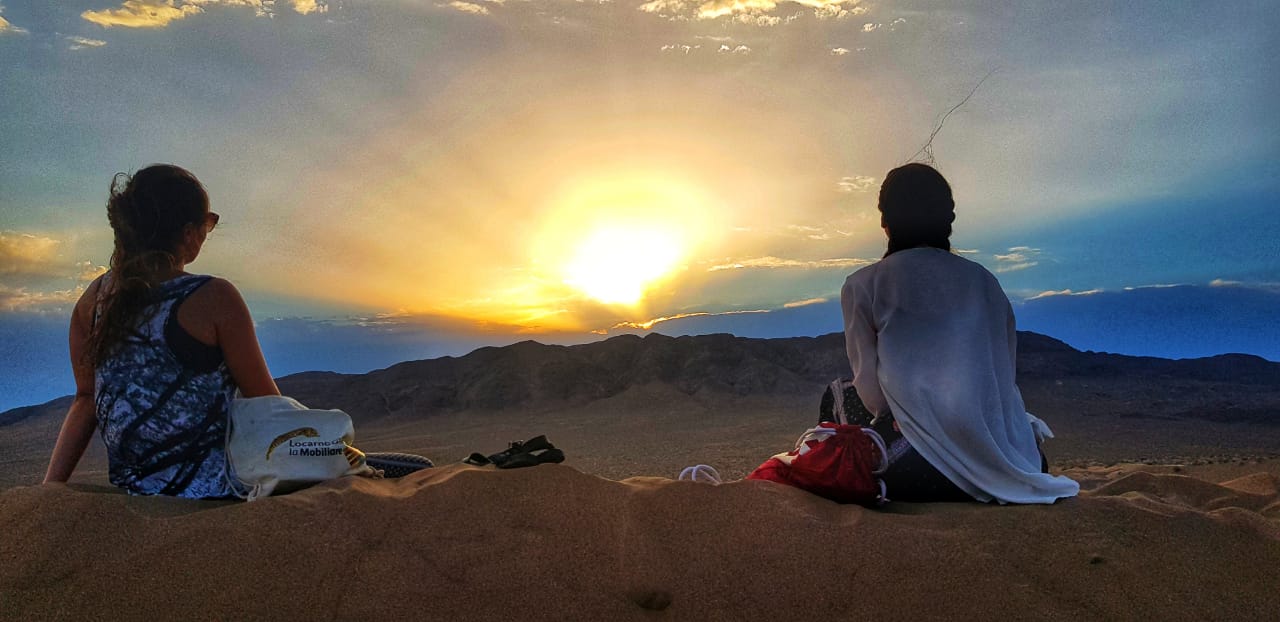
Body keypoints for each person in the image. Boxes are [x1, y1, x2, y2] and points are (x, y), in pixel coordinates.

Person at [838, 163, 1078, 504]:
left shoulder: (864, 285)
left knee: (838, 396)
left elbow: (872, 397)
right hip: (1016, 461)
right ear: (948, 220)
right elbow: (1001, 374)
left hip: (919, 469)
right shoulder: (986, 283)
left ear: (885, 222)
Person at [43, 164, 281, 498]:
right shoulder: (214, 297)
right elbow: (267, 404)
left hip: (133, 498)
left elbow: (85, 399)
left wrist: (48, 491)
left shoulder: (94, 300)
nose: (207, 231)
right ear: (187, 232)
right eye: (207, 222)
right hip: (217, 499)